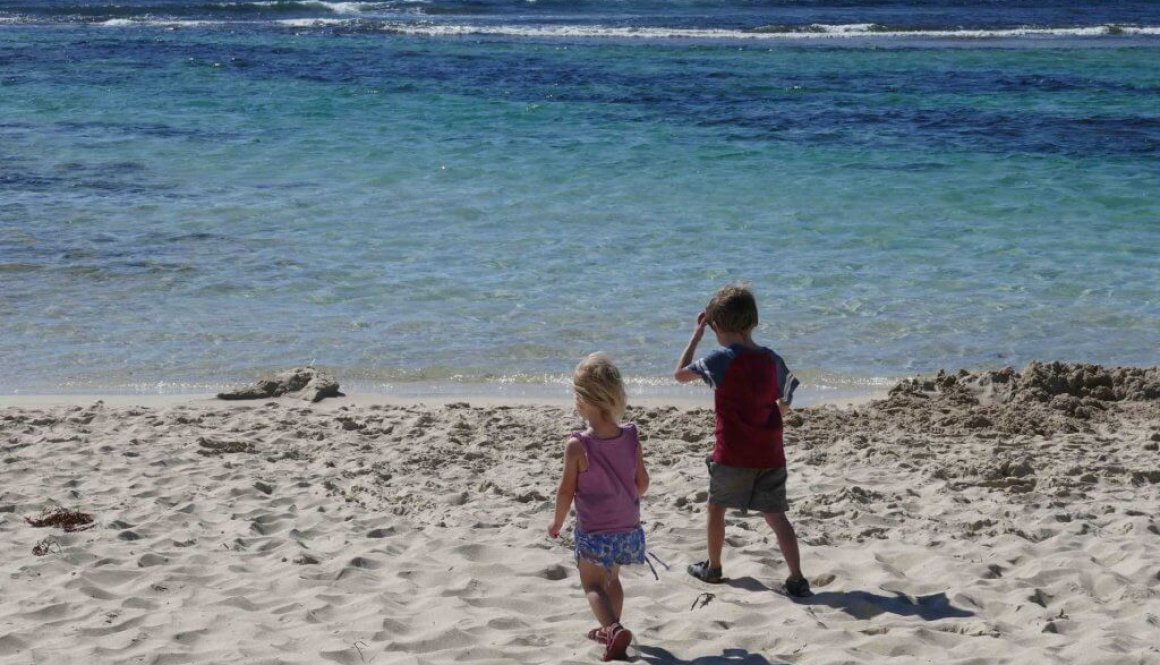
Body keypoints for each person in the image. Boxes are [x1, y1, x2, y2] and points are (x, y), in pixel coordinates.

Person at [673, 283, 810, 598]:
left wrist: (696, 335)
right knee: (776, 516)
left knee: (716, 507)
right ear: (753, 322)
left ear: (716, 326)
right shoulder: (771, 359)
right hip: (770, 453)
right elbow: (786, 402)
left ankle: (714, 568)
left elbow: (679, 374)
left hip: (732, 453)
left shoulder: (722, 357)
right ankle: (797, 577)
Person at [549, 353, 650, 662]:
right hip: (627, 527)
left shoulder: (578, 445)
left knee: (593, 585)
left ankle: (613, 629)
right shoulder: (631, 435)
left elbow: (566, 491)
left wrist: (557, 523)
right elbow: (642, 483)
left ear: (581, 401)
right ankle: (612, 626)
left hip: (595, 531)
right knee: (613, 580)